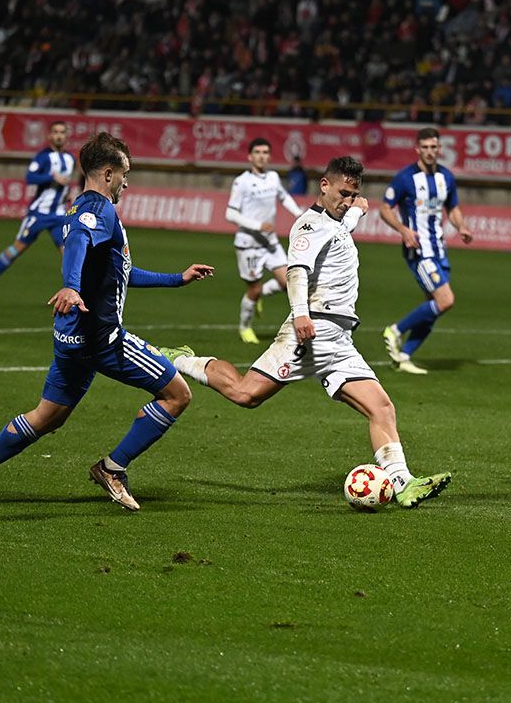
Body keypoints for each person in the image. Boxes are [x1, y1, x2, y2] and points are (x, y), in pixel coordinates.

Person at [0, 132, 215, 510]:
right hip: (101, 339)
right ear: (108, 173)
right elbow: (76, 247)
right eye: (124, 173)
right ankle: (113, 468)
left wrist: (176, 278)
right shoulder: (98, 211)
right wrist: (70, 286)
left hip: (70, 338)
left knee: (47, 416)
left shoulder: (78, 208)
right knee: (177, 394)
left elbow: (118, 270)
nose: (127, 181)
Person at [172, 155, 452, 508]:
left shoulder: (337, 220)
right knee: (246, 394)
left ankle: (403, 483)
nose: (347, 199)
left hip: (340, 340)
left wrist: (357, 210)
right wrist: (302, 315)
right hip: (312, 331)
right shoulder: (308, 226)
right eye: (343, 192)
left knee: (381, 407)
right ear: (324, 186)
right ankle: (184, 360)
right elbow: (297, 271)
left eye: (353, 194)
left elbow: (342, 224)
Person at [379, 126, 474, 375]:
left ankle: (403, 356)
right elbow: (385, 208)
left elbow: (452, 208)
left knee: (433, 307)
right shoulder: (405, 178)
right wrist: (403, 230)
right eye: (426, 148)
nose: (430, 152)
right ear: (417, 149)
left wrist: (461, 226)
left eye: (434, 147)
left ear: (439, 148)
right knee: (446, 300)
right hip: (418, 251)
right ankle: (395, 331)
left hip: (439, 250)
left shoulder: (446, 177)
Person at [0, 121, 76, 300]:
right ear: (50, 136)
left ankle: (70, 295)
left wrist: (68, 193)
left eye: (62, 132)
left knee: (69, 253)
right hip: (39, 213)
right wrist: (51, 177)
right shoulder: (43, 157)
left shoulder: (71, 159)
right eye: (55, 132)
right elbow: (30, 177)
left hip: (60, 214)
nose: (59, 136)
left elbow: (66, 182)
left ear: (66, 135)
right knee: (18, 248)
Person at [226, 138, 306, 344]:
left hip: (270, 243)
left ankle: (261, 297)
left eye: (265, 152)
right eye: (258, 152)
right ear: (250, 156)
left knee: (288, 281)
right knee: (254, 289)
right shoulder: (241, 182)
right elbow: (230, 214)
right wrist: (257, 225)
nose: (262, 156)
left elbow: (284, 197)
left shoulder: (273, 177)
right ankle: (245, 327)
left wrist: (299, 213)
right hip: (248, 244)